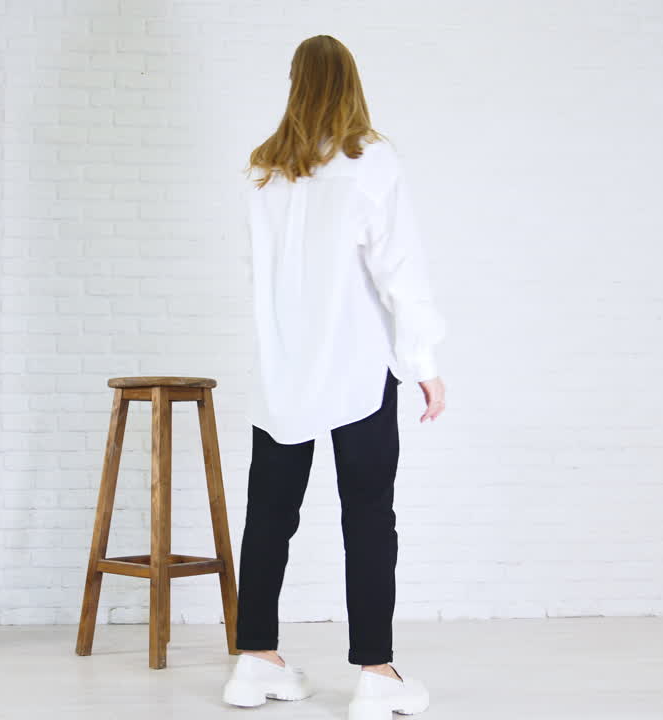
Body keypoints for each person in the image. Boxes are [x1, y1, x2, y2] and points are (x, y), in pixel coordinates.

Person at [220, 35, 448, 720]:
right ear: (351, 83)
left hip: (282, 367)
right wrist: (424, 363)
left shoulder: (264, 169)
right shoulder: (370, 159)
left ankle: (255, 661)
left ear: (295, 84)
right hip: (355, 364)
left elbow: (260, 274)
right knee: (369, 514)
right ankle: (377, 674)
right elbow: (398, 266)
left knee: (269, 513)